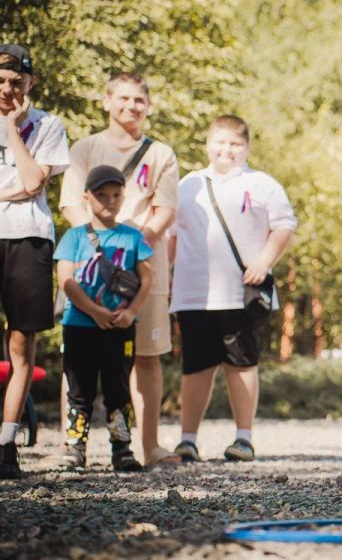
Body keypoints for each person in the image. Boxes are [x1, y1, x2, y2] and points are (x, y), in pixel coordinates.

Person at [59, 73, 181, 467]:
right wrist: (100, 246)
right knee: (77, 359)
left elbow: (164, 211)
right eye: (123, 99)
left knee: (145, 355)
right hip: (87, 269)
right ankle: (72, 449)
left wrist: (129, 248)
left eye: (139, 100)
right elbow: (70, 204)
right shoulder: (85, 148)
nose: (131, 106)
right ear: (106, 100)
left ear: (148, 105)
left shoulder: (161, 153)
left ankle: (148, 446)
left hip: (143, 268)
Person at [170, 115, 296, 462]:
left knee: (241, 363)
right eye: (220, 142)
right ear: (208, 144)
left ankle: (243, 438)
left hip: (241, 289)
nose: (227, 150)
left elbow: (284, 226)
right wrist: (165, 278)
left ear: (247, 147)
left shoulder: (262, 184)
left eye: (235, 144)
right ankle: (187, 439)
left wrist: (264, 262)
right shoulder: (188, 185)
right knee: (195, 366)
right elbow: (172, 235)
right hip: (194, 290)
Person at [0, 44, 71, 478]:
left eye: (17, 83)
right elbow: (25, 185)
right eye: (1, 82)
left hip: (28, 238)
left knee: (22, 342)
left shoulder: (48, 125)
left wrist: (11, 129)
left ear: (30, 85)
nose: (8, 89)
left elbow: (31, 181)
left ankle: (6, 443)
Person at [55, 165, 154, 471]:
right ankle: (75, 446)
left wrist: (131, 312)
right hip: (80, 326)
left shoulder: (133, 237)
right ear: (87, 197)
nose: (109, 201)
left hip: (120, 327)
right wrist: (94, 310)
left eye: (116, 194)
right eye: (101, 195)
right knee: (79, 389)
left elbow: (147, 278)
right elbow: (66, 280)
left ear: (124, 196)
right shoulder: (74, 237)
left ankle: (121, 449)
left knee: (118, 388)